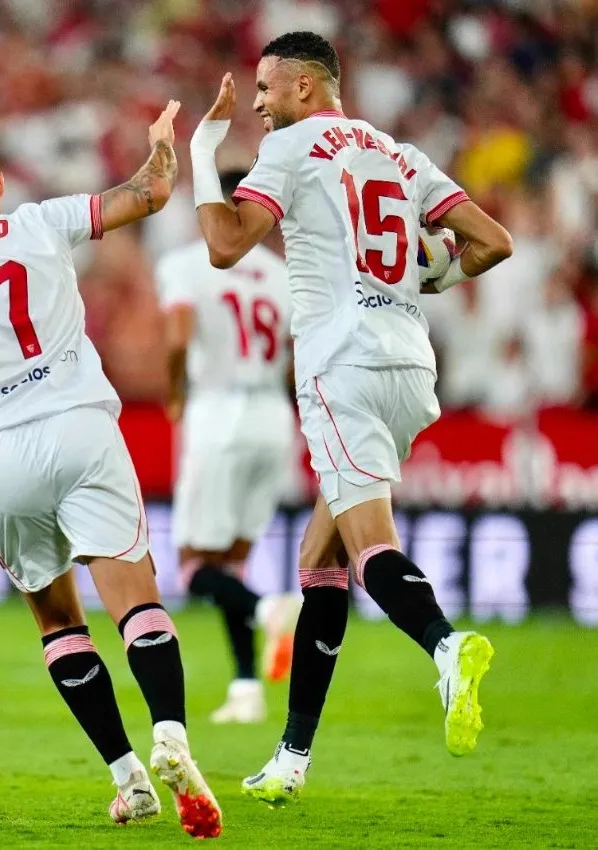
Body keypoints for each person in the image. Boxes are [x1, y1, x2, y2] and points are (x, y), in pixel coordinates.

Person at [0, 104, 222, 838]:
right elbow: (150, 194)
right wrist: (161, 149)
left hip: (0, 453)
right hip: (82, 427)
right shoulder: (41, 220)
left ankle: (128, 780)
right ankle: (171, 734)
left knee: (59, 621)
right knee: (136, 600)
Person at [189, 31, 512, 803]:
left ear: (303, 86)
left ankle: (447, 646)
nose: (257, 105)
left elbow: (225, 245)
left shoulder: (291, 147)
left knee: (370, 548)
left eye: (265, 88)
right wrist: (425, 275)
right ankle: (291, 758)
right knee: (320, 556)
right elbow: (492, 243)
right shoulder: (399, 154)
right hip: (409, 366)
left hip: (343, 365)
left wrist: (202, 152)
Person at [156, 168, 299, 724]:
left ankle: (269, 609)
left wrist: (174, 393)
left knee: (194, 566)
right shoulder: (283, 276)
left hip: (218, 413)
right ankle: (245, 689)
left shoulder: (187, 265)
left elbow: (177, 337)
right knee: (232, 562)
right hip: (272, 416)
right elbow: (296, 355)